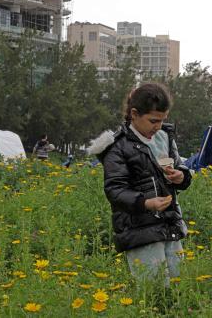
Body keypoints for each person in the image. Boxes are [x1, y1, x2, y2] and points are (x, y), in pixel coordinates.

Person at [87, 83, 192, 285]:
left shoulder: (164, 137)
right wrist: (145, 203)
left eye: (162, 120)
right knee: (154, 289)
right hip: (138, 230)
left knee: (180, 285)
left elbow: (181, 168)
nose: (158, 126)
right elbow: (115, 190)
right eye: (153, 120)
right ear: (134, 114)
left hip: (169, 223)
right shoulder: (117, 146)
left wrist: (181, 176)